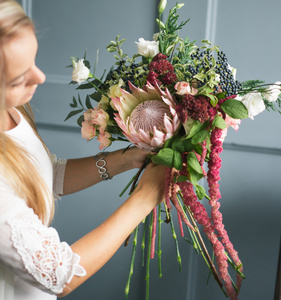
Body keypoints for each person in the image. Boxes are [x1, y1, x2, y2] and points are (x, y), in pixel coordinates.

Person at [0, 1, 165, 299]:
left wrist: (123, 160)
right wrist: (145, 198)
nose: (40, 77)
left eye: (33, 62)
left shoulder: (10, 109)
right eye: (18, 78)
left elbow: (39, 176)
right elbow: (60, 275)